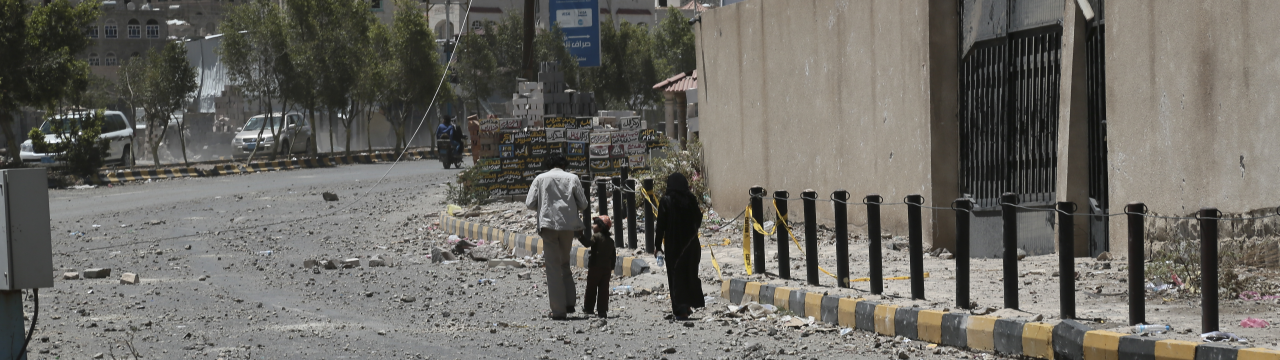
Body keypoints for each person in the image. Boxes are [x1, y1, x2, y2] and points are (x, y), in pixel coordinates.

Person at [525, 155, 590, 320]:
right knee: (564, 263)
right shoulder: (573, 178)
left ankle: (558, 310)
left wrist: (544, 206)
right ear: (564, 165)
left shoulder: (540, 179)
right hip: (568, 227)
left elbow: (529, 203)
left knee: (553, 268)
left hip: (548, 226)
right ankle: (569, 302)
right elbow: (583, 204)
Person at [654, 172, 705, 320]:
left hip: (674, 246)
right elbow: (698, 219)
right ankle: (688, 305)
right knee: (690, 274)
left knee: (676, 277)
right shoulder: (691, 199)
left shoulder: (666, 201)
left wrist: (657, 246)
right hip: (692, 245)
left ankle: (681, 310)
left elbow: (660, 226)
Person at [577, 215, 616, 318]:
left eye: (595, 224)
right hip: (606, 269)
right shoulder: (611, 241)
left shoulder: (596, 236)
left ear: (600, 227)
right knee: (604, 289)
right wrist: (611, 268)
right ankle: (602, 311)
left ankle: (589, 308)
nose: (592, 226)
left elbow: (587, 243)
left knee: (591, 287)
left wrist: (580, 235)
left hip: (595, 267)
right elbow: (613, 256)